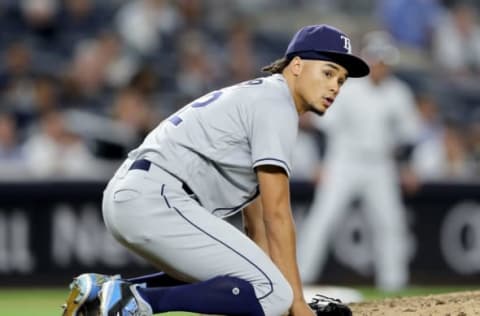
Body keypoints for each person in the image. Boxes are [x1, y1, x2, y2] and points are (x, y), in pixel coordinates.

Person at [61, 24, 369, 316]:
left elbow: (257, 218)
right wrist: (297, 304)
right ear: (298, 65)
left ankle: (104, 293)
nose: (335, 86)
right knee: (275, 295)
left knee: (264, 285)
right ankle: (137, 301)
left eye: (341, 80)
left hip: (137, 193)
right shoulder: (277, 104)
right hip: (158, 197)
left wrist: (267, 278)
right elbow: (277, 214)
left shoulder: (263, 96)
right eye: (328, 72)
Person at [297, 31, 421, 292]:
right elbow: (323, 126)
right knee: (323, 219)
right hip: (344, 161)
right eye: (377, 60)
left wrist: (407, 166)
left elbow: (409, 134)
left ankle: (394, 287)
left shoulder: (398, 92)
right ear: (367, 60)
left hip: (380, 165)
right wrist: (321, 162)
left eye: (385, 61)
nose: (380, 66)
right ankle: (301, 278)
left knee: (390, 224)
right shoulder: (348, 87)